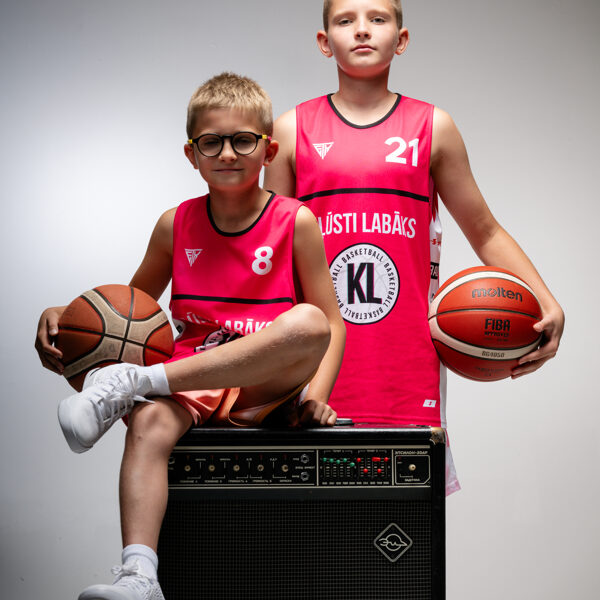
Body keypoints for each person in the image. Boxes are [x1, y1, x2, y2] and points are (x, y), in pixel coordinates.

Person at [35, 72, 346, 600]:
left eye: (242, 140)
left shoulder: (296, 221)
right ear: (191, 154)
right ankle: (140, 577)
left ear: (268, 150)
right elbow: (129, 311)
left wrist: (316, 396)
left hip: (265, 383)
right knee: (149, 421)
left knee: (308, 321)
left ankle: (132, 384)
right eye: (211, 142)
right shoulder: (174, 225)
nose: (227, 153)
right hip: (191, 378)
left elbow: (332, 325)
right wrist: (66, 316)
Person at [263, 0, 565, 493]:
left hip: (404, 363)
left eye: (378, 19)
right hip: (313, 364)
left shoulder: (432, 126)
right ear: (324, 43)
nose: (362, 30)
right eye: (345, 21)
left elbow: (484, 230)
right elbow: (270, 254)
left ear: (401, 40)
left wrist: (547, 301)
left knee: (401, 528)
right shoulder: (291, 130)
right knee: (314, 525)